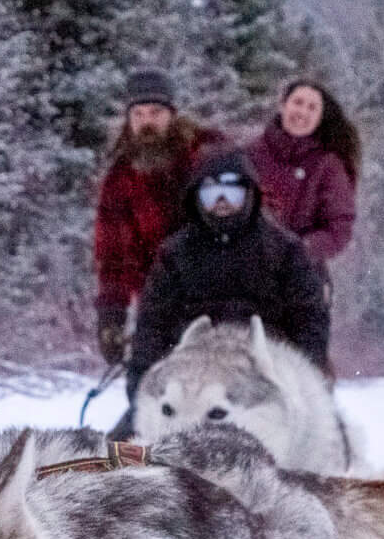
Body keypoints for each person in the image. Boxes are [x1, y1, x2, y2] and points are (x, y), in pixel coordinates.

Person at [120, 147, 330, 418]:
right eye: (210, 192)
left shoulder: (286, 250)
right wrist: (141, 387)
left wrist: (302, 384)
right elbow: (152, 326)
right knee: (125, 451)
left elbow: (310, 322)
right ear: (196, 197)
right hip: (188, 381)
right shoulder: (175, 253)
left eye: (231, 191)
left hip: (261, 381)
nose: (221, 201)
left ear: (249, 193)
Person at [92, 67, 224, 368]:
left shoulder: (208, 153)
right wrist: (111, 316)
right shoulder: (120, 177)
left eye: (155, 112)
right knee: (145, 384)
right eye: (138, 114)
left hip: (221, 295)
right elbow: (113, 256)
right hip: (158, 301)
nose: (146, 122)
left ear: (172, 115)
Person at [243, 78, 360, 273]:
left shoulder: (328, 165)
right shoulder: (250, 153)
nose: (303, 112)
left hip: (300, 275)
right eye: (298, 103)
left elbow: (339, 228)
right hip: (246, 269)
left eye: (312, 108)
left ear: (320, 117)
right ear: (283, 105)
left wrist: (298, 250)